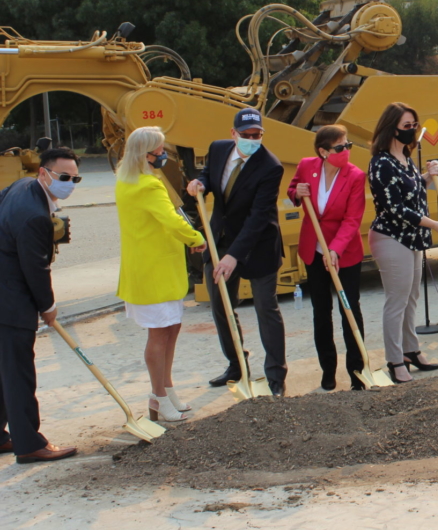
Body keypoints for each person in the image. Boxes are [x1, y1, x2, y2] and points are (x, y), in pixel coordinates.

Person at [186, 108, 288, 396]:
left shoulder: (270, 166)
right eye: (246, 136)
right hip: (220, 240)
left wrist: (235, 256)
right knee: (221, 306)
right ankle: (236, 365)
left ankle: (276, 376)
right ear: (233, 134)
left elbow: (258, 218)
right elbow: (208, 174)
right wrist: (200, 183)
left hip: (258, 246)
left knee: (265, 308)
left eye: (258, 135)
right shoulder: (219, 149)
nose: (253, 140)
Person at [115, 127, 207, 421]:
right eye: (159, 150)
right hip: (154, 273)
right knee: (160, 334)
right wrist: (196, 238)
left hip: (155, 271)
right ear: (145, 155)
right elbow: (170, 220)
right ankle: (159, 396)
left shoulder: (129, 181)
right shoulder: (147, 185)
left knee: (171, 329)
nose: (163, 155)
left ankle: (166, 389)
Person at [0, 147, 80, 463]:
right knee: (18, 373)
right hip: (9, 300)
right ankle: (30, 444)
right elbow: (36, 268)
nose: (70, 183)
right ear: (44, 173)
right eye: (64, 177)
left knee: (4, 370)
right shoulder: (35, 216)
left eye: (75, 178)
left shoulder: (21, 186)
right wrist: (47, 307)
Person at [367, 102, 438, 383]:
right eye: (407, 127)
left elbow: (412, 193)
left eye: (414, 126)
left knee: (411, 298)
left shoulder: (405, 159)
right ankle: (394, 361)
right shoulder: (380, 163)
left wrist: (428, 177)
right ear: (391, 129)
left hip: (413, 238)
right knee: (396, 301)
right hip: (392, 237)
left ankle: (411, 349)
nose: (412, 132)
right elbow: (396, 208)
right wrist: (435, 225)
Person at [287, 125, 368, 391]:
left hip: (344, 253)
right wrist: (296, 194)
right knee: (321, 312)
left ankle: (357, 370)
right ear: (323, 152)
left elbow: (352, 218)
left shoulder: (355, 176)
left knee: (349, 309)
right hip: (314, 251)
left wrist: (335, 249)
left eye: (348, 145)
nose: (346, 151)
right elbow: (292, 190)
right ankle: (328, 370)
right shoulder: (307, 166)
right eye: (340, 147)